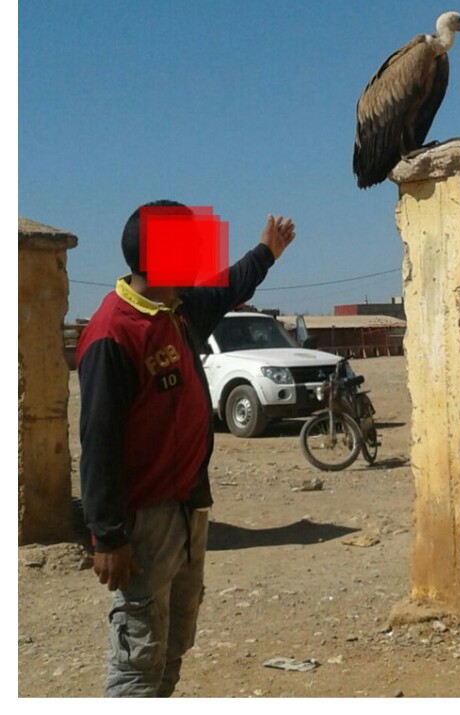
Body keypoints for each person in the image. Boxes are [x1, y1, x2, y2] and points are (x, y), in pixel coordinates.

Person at [76, 201, 296, 697]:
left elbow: (229, 284)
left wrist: (266, 252)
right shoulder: (113, 333)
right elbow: (98, 442)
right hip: (144, 521)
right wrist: (107, 537)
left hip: (188, 509)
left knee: (172, 648)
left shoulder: (179, 308)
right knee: (138, 663)